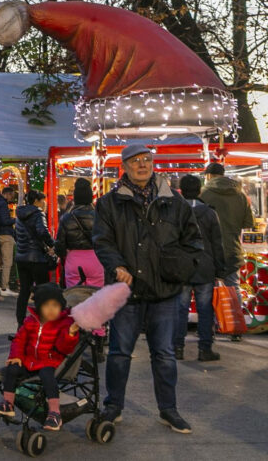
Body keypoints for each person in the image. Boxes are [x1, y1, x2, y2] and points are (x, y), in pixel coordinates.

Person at [93, 141, 202, 434]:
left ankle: (169, 410)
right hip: (125, 292)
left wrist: (182, 267)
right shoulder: (109, 203)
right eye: (135, 160)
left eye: (147, 159)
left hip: (164, 290)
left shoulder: (173, 201)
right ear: (125, 167)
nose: (142, 164)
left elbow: (193, 241)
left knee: (164, 354)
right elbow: (102, 241)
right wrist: (117, 266)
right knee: (119, 353)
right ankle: (113, 405)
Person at [0, 283, 80, 432]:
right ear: (39, 307)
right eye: (47, 305)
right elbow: (19, 340)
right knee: (12, 369)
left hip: (50, 360)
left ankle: (54, 412)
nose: (51, 310)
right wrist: (16, 356)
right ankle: (8, 403)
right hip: (29, 360)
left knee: (47, 376)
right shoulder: (31, 321)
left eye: (55, 305)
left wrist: (70, 333)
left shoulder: (64, 323)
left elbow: (64, 347)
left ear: (61, 306)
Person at [174, 174, 226, 362]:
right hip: (205, 267)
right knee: (205, 309)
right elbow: (217, 243)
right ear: (199, 190)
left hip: (182, 267)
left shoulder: (176, 211)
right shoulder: (210, 213)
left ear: (181, 190)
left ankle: (177, 348)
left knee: (180, 308)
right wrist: (220, 270)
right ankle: (205, 349)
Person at [200, 161, 254, 300]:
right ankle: (234, 320)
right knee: (233, 288)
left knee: (208, 291)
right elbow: (249, 223)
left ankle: (213, 322)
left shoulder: (203, 194)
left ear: (209, 176)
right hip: (232, 251)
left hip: (209, 251)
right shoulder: (240, 194)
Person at [13, 190, 56, 326]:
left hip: (21, 258)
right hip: (37, 258)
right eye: (43, 200)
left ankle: (21, 323)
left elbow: (17, 234)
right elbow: (42, 231)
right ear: (37, 201)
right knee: (42, 291)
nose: (44, 203)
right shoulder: (38, 213)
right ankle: (41, 323)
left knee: (24, 291)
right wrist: (52, 244)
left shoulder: (19, 214)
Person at [56, 179, 102, 288]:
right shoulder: (100, 217)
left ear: (75, 198)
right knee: (96, 296)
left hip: (74, 260)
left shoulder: (66, 218)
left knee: (73, 297)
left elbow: (59, 246)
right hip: (96, 259)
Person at [0, 187, 17, 297]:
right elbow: (4, 221)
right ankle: (4, 287)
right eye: (12, 196)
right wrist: (15, 219)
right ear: (7, 194)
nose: (12, 198)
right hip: (5, 235)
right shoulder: (2, 204)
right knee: (7, 262)